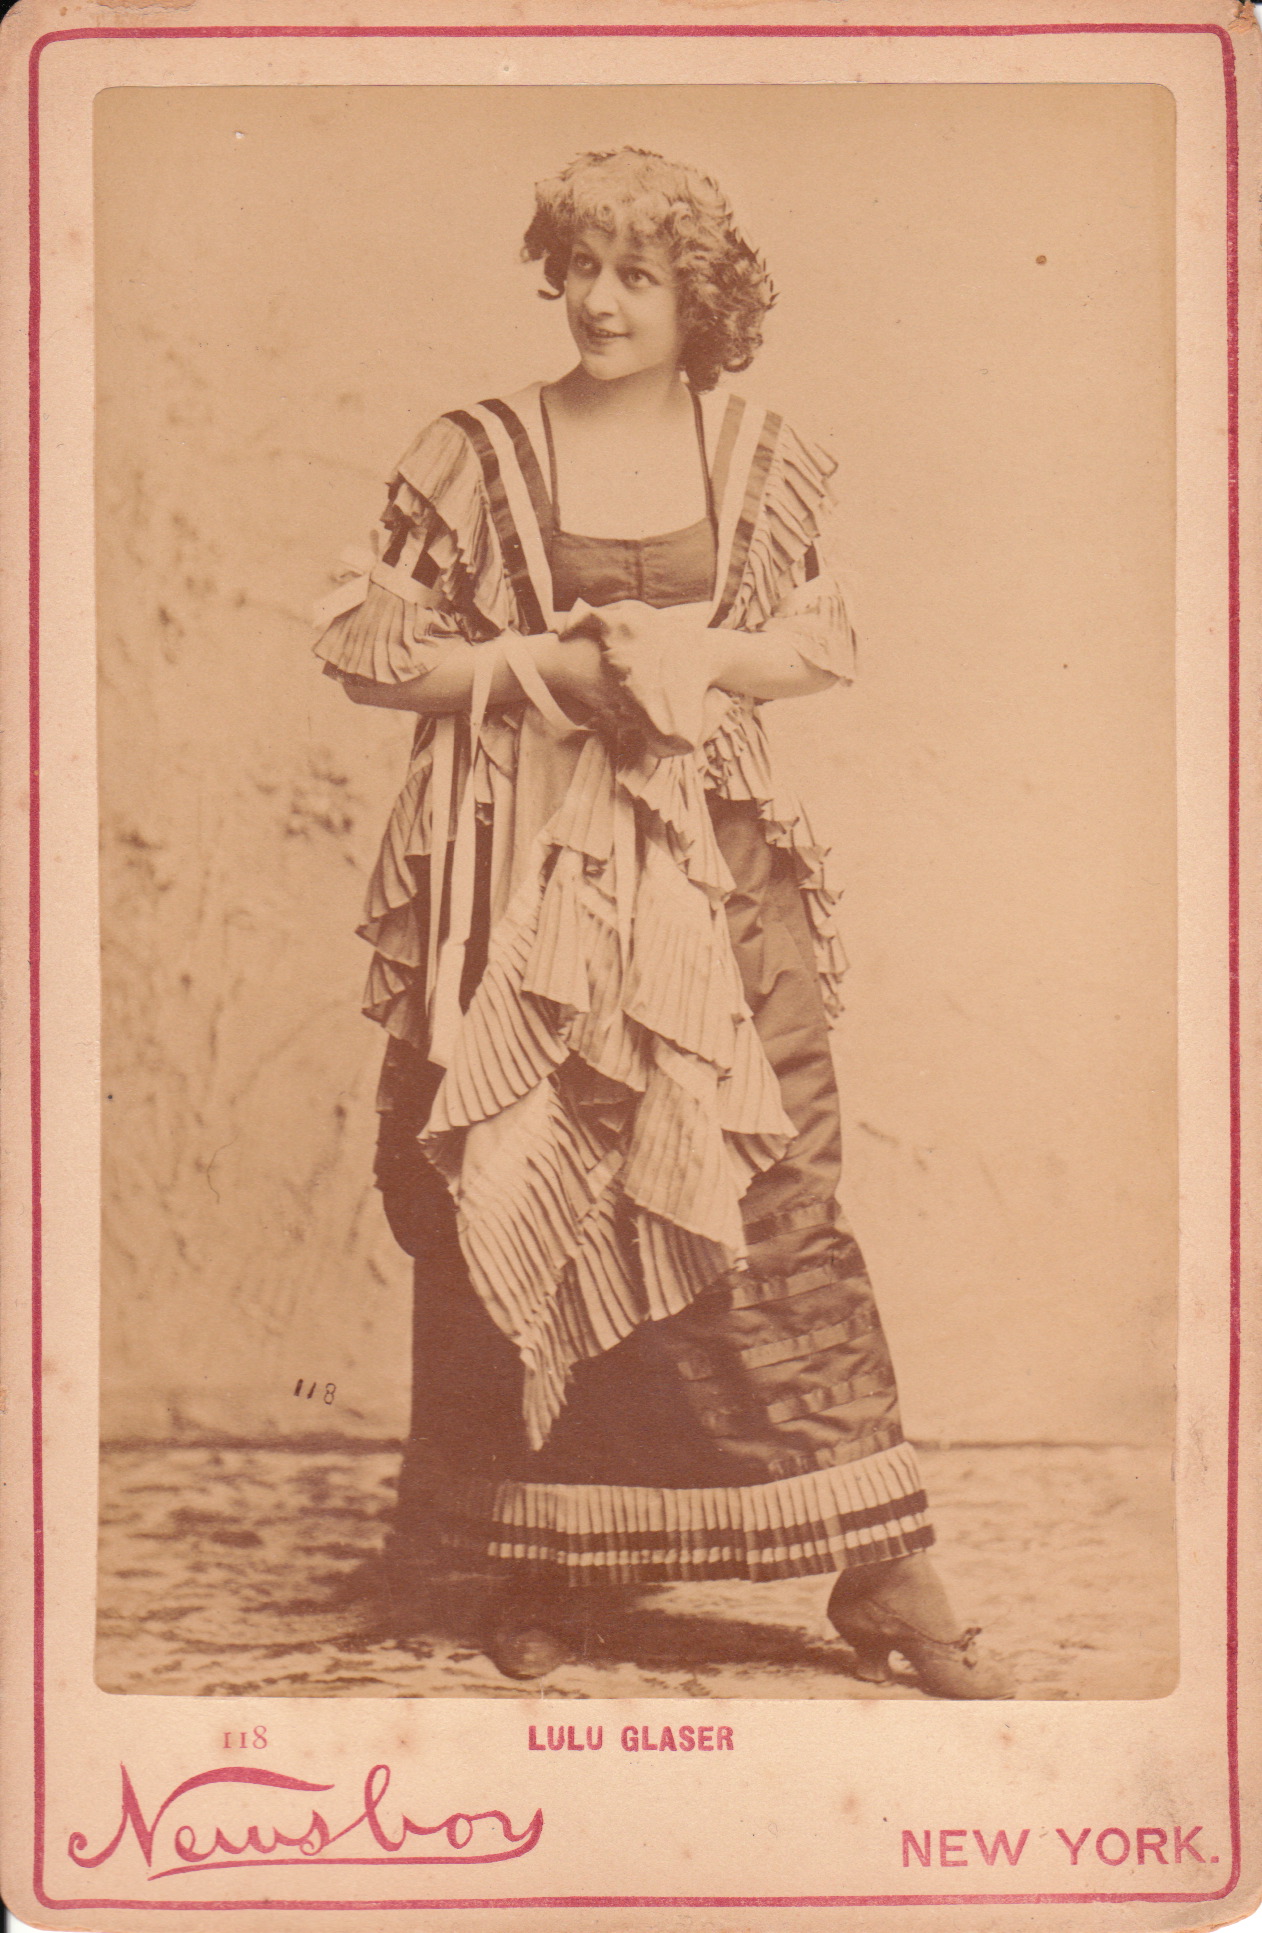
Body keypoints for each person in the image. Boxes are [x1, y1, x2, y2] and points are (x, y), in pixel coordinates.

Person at [313, 147, 1008, 1697]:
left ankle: (881, 1572)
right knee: (526, 1173)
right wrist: (542, 671)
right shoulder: (477, 449)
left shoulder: (755, 453)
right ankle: (544, 1557)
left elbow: (817, 643)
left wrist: (689, 658)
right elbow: (371, 655)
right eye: (579, 265)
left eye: (638, 273)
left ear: (702, 296)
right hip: (520, 880)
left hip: (709, 867)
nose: (601, 300)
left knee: (769, 1187)